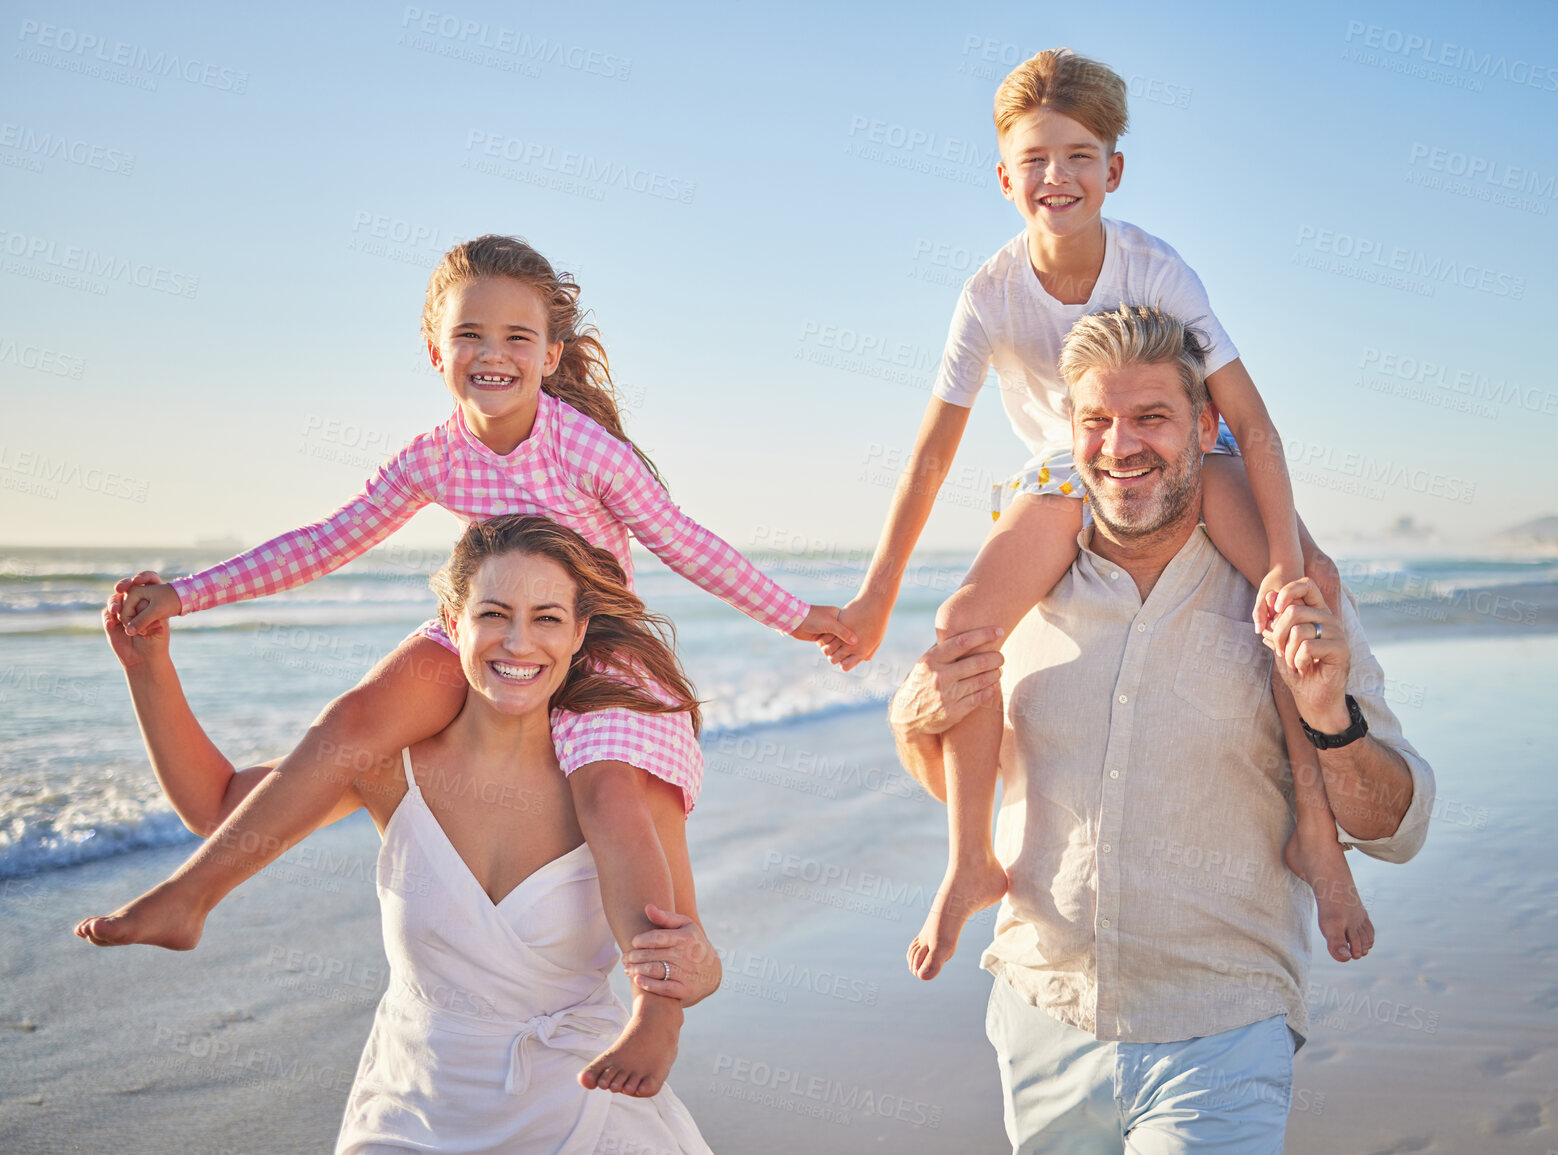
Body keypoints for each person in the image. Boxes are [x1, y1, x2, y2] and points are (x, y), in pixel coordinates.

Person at [81, 234, 855, 1095]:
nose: (493, 355)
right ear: (434, 350)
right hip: (483, 628)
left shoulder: (584, 448)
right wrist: (184, 598)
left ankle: (656, 1011)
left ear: (550, 354)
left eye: (517, 337)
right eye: (470, 335)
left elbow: (684, 541)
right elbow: (327, 541)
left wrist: (802, 616)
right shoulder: (433, 454)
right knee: (353, 720)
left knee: (608, 788)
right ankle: (190, 897)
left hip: (598, 632)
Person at [829, 49, 1365, 981]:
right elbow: (931, 454)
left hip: (1198, 453)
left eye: (1079, 155)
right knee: (961, 626)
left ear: (1112, 170)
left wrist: (1282, 556)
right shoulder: (989, 293)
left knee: (1295, 596)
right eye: (1034, 159)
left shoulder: (1156, 270)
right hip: (1064, 468)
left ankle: (1316, 836)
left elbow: (1249, 418)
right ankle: (967, 862)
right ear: (1004, 177)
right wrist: (876, 598)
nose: (1056, 177)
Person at [889, 306, 1436, 1151]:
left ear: (1205, 426)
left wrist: (1331, 719)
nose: (1120, 446)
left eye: (1151, 418)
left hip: (1220, 1027)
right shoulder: (1018, 594)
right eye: (1097, 421)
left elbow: (1397, 827)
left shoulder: (1290, 600)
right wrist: (914, 717)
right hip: (1041, 1016)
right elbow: (973, 777)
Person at [83, 515, 720, 1151]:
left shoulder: (627, 788)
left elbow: (688, 959)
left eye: (547, 618)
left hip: (588, 1107)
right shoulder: (389, 769)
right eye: (494, 614)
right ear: (452, 625)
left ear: (579, 632)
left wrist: (696, 975)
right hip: (410, 1116)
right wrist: (149, 669)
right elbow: (220, 810)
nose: (519, 643)